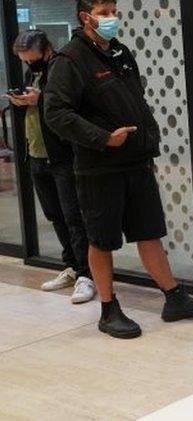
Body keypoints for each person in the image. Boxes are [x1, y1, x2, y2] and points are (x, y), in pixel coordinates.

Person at [44, 0, 193, 339]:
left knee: (149, 232)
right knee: (102, 239)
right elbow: (56, 113)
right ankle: (108, 310)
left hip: (136, 162)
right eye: (105, 12)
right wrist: (102, 138)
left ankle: (174, 297)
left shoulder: (120, 52)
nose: (112, 18)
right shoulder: (71, 60)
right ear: (85, 17)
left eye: (114, 10)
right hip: (99, 168)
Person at [7, 30, 94, 303]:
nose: (29, 65)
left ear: (46, 51)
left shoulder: (62, 69)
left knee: (74, 216)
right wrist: (21, 103)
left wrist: (40, 99)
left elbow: (73, 108)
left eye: (32, 60)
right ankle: (70, 266)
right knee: (55, 215)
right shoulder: (32, 75)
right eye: (24, 61)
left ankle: (86, 274)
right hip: (36, 154)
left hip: (62, 156)